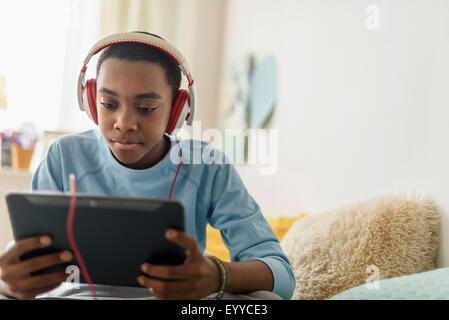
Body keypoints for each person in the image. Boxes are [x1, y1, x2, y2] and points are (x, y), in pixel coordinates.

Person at [0, 32, 295, 300]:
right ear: (91, 100)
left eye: (146, 109)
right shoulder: (64, 155)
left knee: (267, 302)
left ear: (177, 110)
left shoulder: (207, 165)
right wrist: (13, 283)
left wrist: (217, 276)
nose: (124, 123)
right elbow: (27, 257)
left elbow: (281, 275)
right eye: (108, 103)